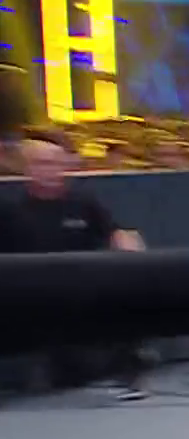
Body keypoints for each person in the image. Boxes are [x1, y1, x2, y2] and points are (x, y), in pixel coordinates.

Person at [0, 138, 150, 399]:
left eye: (56, 163)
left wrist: (131, 253)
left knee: (128, 296)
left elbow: (118, 231)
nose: (50, 170)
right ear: (27, 169)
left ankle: (128, 370)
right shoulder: (9, 208)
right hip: (28, 291)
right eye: (42, 163)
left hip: (83, 285)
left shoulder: (84, 202)